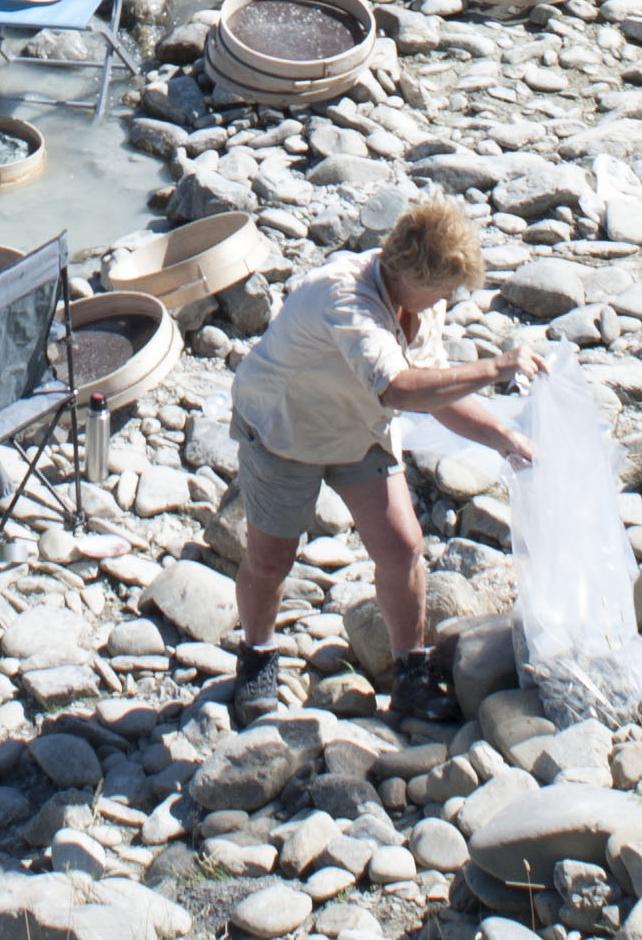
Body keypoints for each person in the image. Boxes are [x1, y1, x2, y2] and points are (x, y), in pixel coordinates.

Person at [224, 197, 534, 731]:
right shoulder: (345, 297)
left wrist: (504, 437)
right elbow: (397, 388)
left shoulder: (423, 301)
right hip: (284, 429)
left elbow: (432, 389)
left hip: (359, 429)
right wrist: (496, 368)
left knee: (403, 544)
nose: (449, 299)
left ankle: (410, 672)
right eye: (444, 289)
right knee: (271, 558)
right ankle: (257, 656)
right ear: (410, 275)